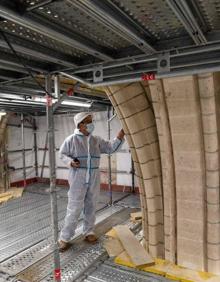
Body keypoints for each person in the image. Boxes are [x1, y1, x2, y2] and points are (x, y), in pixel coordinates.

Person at [58, 112, 125, 251]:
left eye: (91, 121)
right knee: (74, 206)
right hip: (78, 176)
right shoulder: (71, 140)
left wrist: (120, 136)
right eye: (88, 121)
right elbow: (62, 154)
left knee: (91, 204)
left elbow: (111, 148)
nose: (91, 124)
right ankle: (65, 237)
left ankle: (88, 231)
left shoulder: (96, 140)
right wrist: (71, 162)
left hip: (94, 175)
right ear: (80, 124)